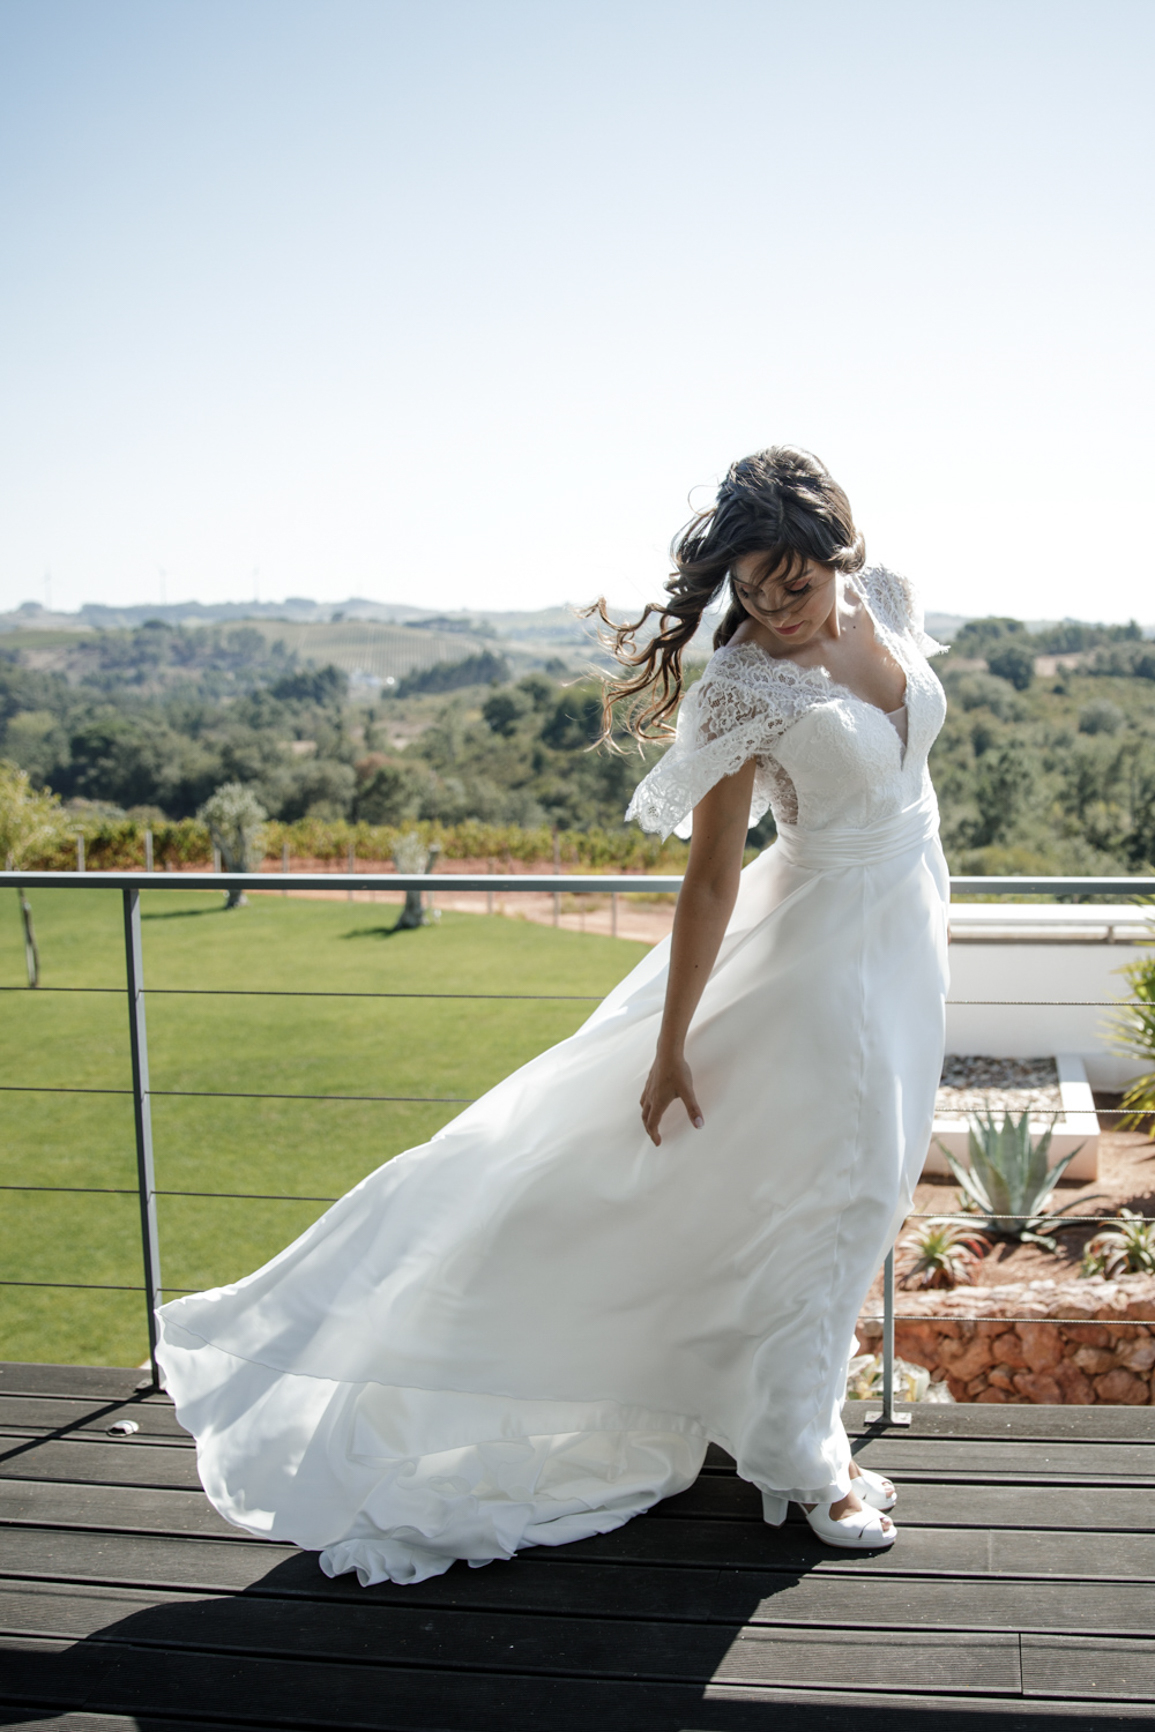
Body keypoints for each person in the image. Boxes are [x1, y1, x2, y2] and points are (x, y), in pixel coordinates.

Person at [157, 444, 949, 1583]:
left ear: (842, 552)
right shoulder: (742, 685)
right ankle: (800, 1459)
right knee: (846, 1192)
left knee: (855, 1187)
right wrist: (669, 1045)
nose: (777, 609)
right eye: (751, 589)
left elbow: (909, 771)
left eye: (796, 582)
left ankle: (787, 1415)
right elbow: (711, 878)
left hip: (907, 932)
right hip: (823, 959)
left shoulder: (890, 601)